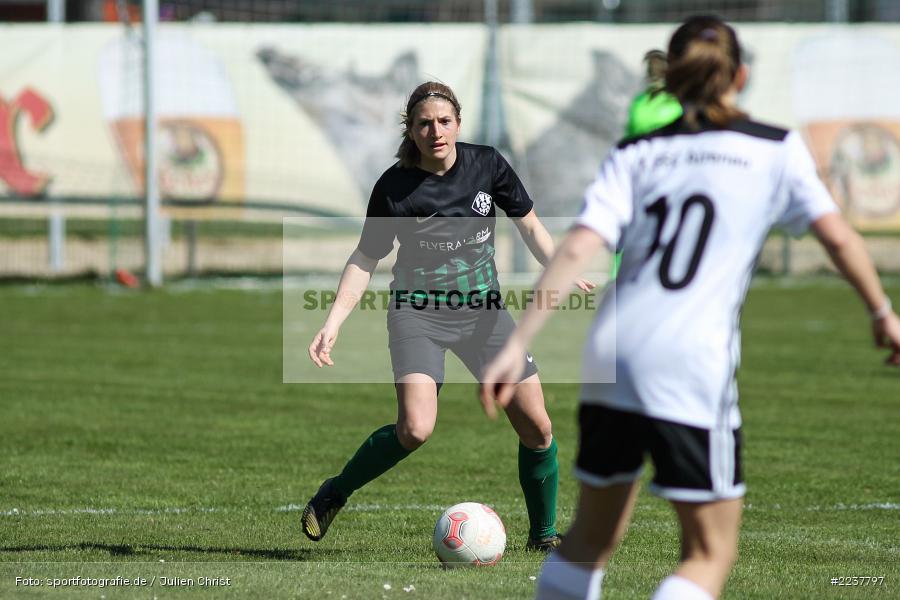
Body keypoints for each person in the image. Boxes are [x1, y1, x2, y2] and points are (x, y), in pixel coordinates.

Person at [481, 15, 900, 600]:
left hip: (615, 349)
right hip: (688, 357)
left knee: (588, 541)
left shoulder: (638, 150)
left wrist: (518, 343)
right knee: (708, 553)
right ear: (742, 76)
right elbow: (837, 237)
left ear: (670, 80)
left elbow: (579, 244)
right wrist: (883, 311)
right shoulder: (774, 147)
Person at [303, 81, 593, 551]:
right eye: (424, 123)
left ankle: (543, 537)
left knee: (538, 427)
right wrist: (333, 322)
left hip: (484, 315)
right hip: (418, 317)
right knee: (415, 429)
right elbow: (364, 258)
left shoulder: (487, 164)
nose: (435, 131)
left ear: (457, 123)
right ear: (411, 131)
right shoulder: (394, 188)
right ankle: (336, 492)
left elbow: (531, 224)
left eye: (443, 121)